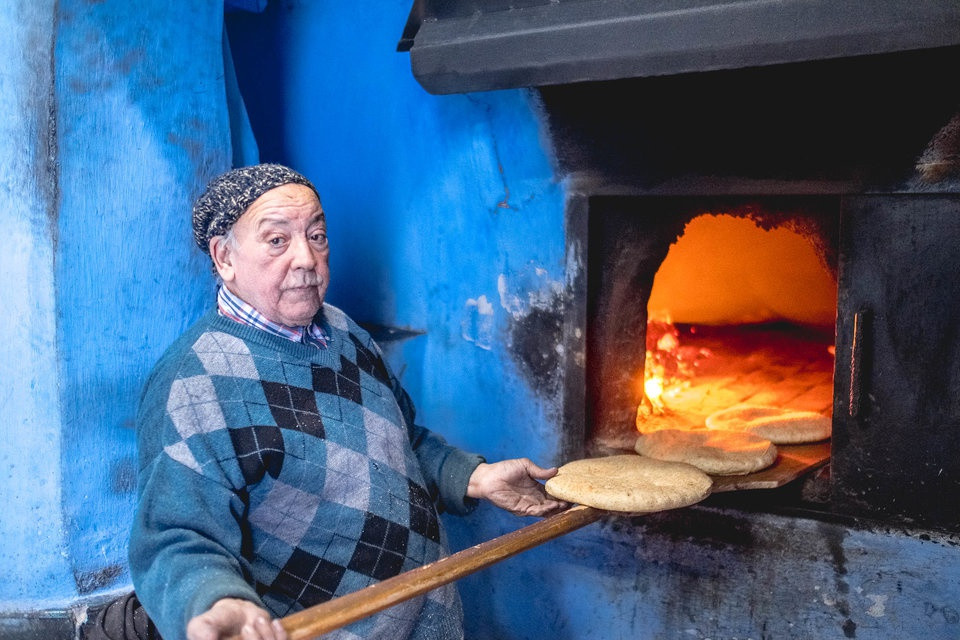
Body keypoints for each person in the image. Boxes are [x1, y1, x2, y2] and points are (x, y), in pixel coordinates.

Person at [125, 163, 567, 640]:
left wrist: (475, 477)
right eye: (277, 241)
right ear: (224, 258)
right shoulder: (194, 382)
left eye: (316, 236)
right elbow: (176, 537)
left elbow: (402, 442)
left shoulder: (342, 329)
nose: (306, 259)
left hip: (430, 618)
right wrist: (216, 600)